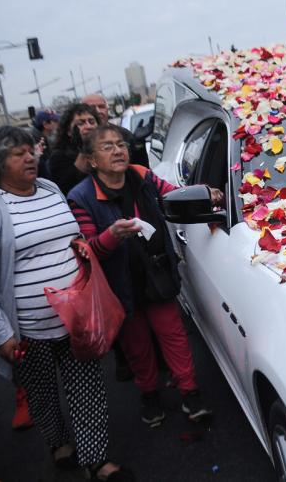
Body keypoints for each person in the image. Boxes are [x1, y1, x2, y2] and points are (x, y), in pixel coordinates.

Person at [0, 126, 134, 481]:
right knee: (42, 391)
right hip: (26, 329)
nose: (29, 157)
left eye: (29, 150)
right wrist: (1, 334)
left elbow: (70, 236)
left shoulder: (50, 189)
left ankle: (96, 460)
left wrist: (79, 250)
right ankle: (58, 442)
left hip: (76, 318)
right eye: (17, 153)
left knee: (88, 387)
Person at [68, 125, 219, 427]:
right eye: (107, 146)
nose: (118, 150)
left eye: (120, 144)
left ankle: (190, 393)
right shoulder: (80, 197)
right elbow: (90, 248)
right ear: (92, 160)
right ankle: (149, 395)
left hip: (156, 271)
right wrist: (111, 235)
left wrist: (206, 195)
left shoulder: (141, 174)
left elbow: (173, 196)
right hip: (119, 283)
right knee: (137, 346)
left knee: (173, 334)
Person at [81, 94, 149, 167]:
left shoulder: (123, 134)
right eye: (92, 107)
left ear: (107, 109)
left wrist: (138, 144)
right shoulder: (78, 139)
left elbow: (141, 167)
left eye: (101, 107)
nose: (98, 111)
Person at [49, 103, 100, 194]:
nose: (89, 126)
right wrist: (83, 150)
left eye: (92, 122)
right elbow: (66, 187)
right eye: (81, 123)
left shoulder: (106, 149)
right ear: (69, 131)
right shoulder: (59, 156)